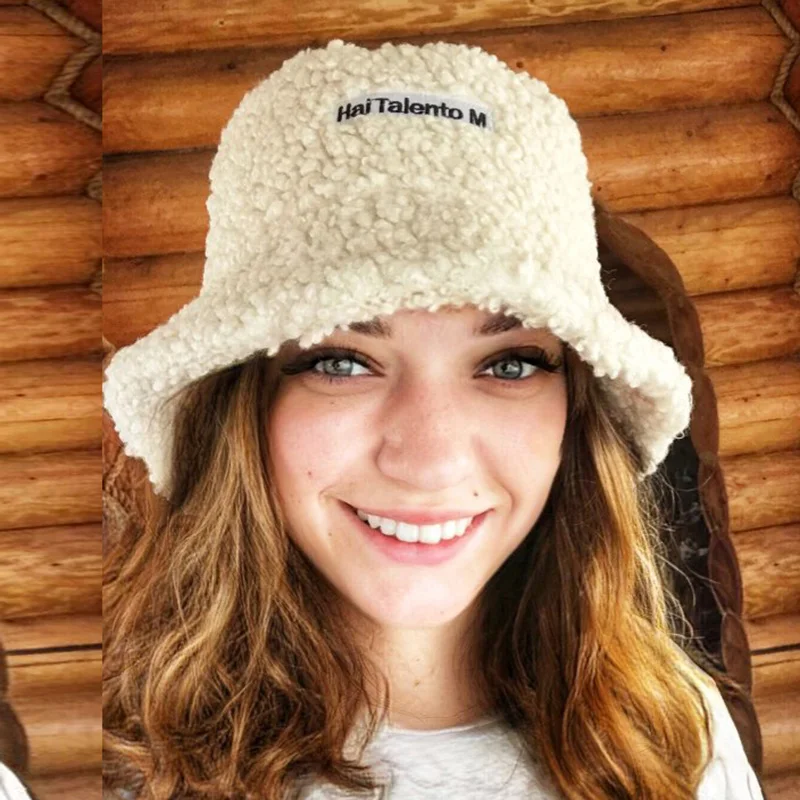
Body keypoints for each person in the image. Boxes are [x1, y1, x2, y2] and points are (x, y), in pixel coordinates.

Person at [102, 38, 765, 799]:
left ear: (575, 417)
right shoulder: (126, 770)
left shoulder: (680, 737)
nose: (430, 460)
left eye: (509, 364)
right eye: (342, 362)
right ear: (241, 409)